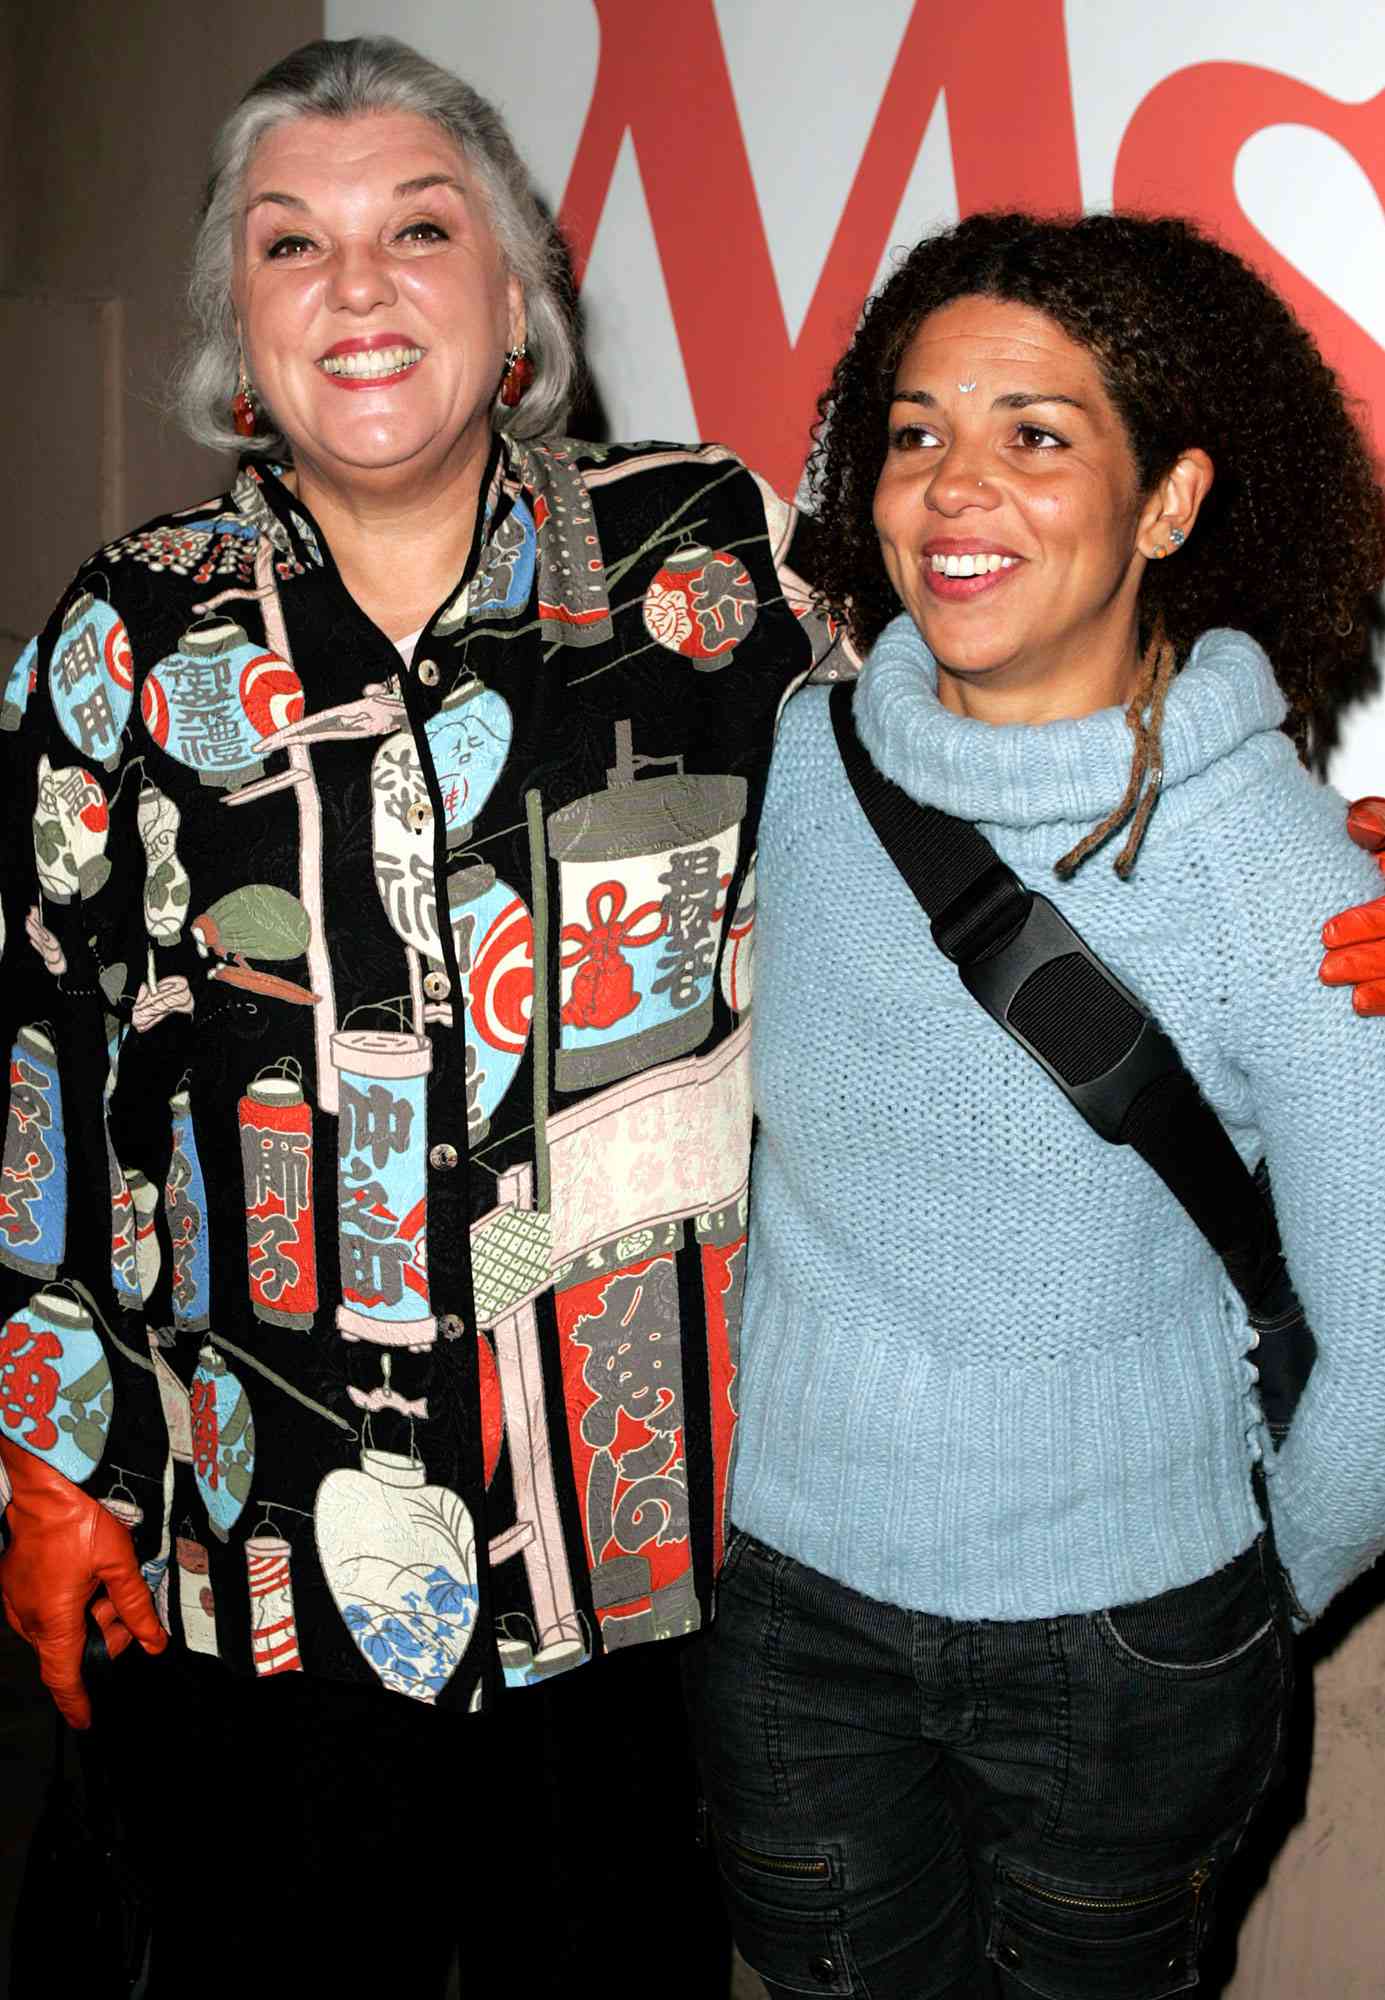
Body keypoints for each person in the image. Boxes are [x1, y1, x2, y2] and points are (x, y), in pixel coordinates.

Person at [0, 36, 845, 1997]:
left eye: (418, 229)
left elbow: (955, 773)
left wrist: (1261, 827)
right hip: (252, 1550)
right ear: (238, 329)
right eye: (293, 244)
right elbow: (42, 1054)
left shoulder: (695, 558)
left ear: (517, 303)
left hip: (634, 1551)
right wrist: (51, 1470)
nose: (358, 285)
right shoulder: (132, 632)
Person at [682, 211, 1385, 2000]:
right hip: (790, 1618)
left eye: (1035, 435)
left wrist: (1232, 1595)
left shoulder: (1277, 874)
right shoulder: (797, 766)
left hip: (1129, 1652)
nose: (951, 489)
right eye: (915, 432)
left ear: (1167, 502)